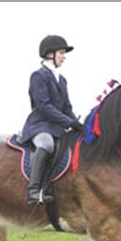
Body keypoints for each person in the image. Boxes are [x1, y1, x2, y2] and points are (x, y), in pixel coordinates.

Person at [21, 35, 84, 205]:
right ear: (50, 54)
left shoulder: (61, 80)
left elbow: (67, 108)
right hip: (39, 126)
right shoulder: (38, 76)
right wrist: (68, 122)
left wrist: (79, 125)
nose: (64, 56)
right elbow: (44, 106)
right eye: (62, 52)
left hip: (57, 127)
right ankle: (34, 191)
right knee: (46, 144)